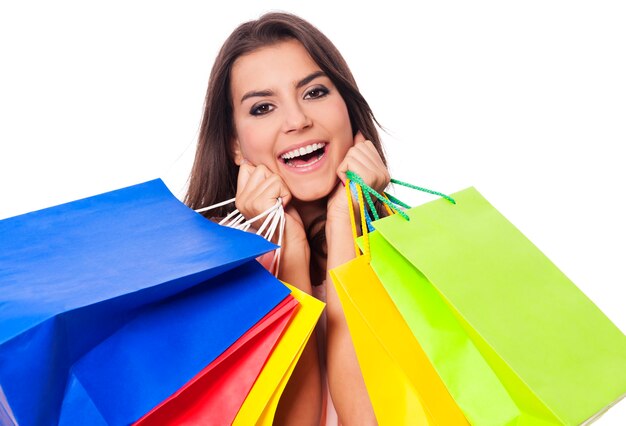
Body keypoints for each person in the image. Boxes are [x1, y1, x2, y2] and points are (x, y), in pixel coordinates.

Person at [185, 12, 390, 425]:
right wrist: (289, 252)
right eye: (263, 108)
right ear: (236, 147)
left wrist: (344, 228)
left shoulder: (420, 256)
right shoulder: (204, 281)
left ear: (348, 112)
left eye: (314, 93)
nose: (297, 121)